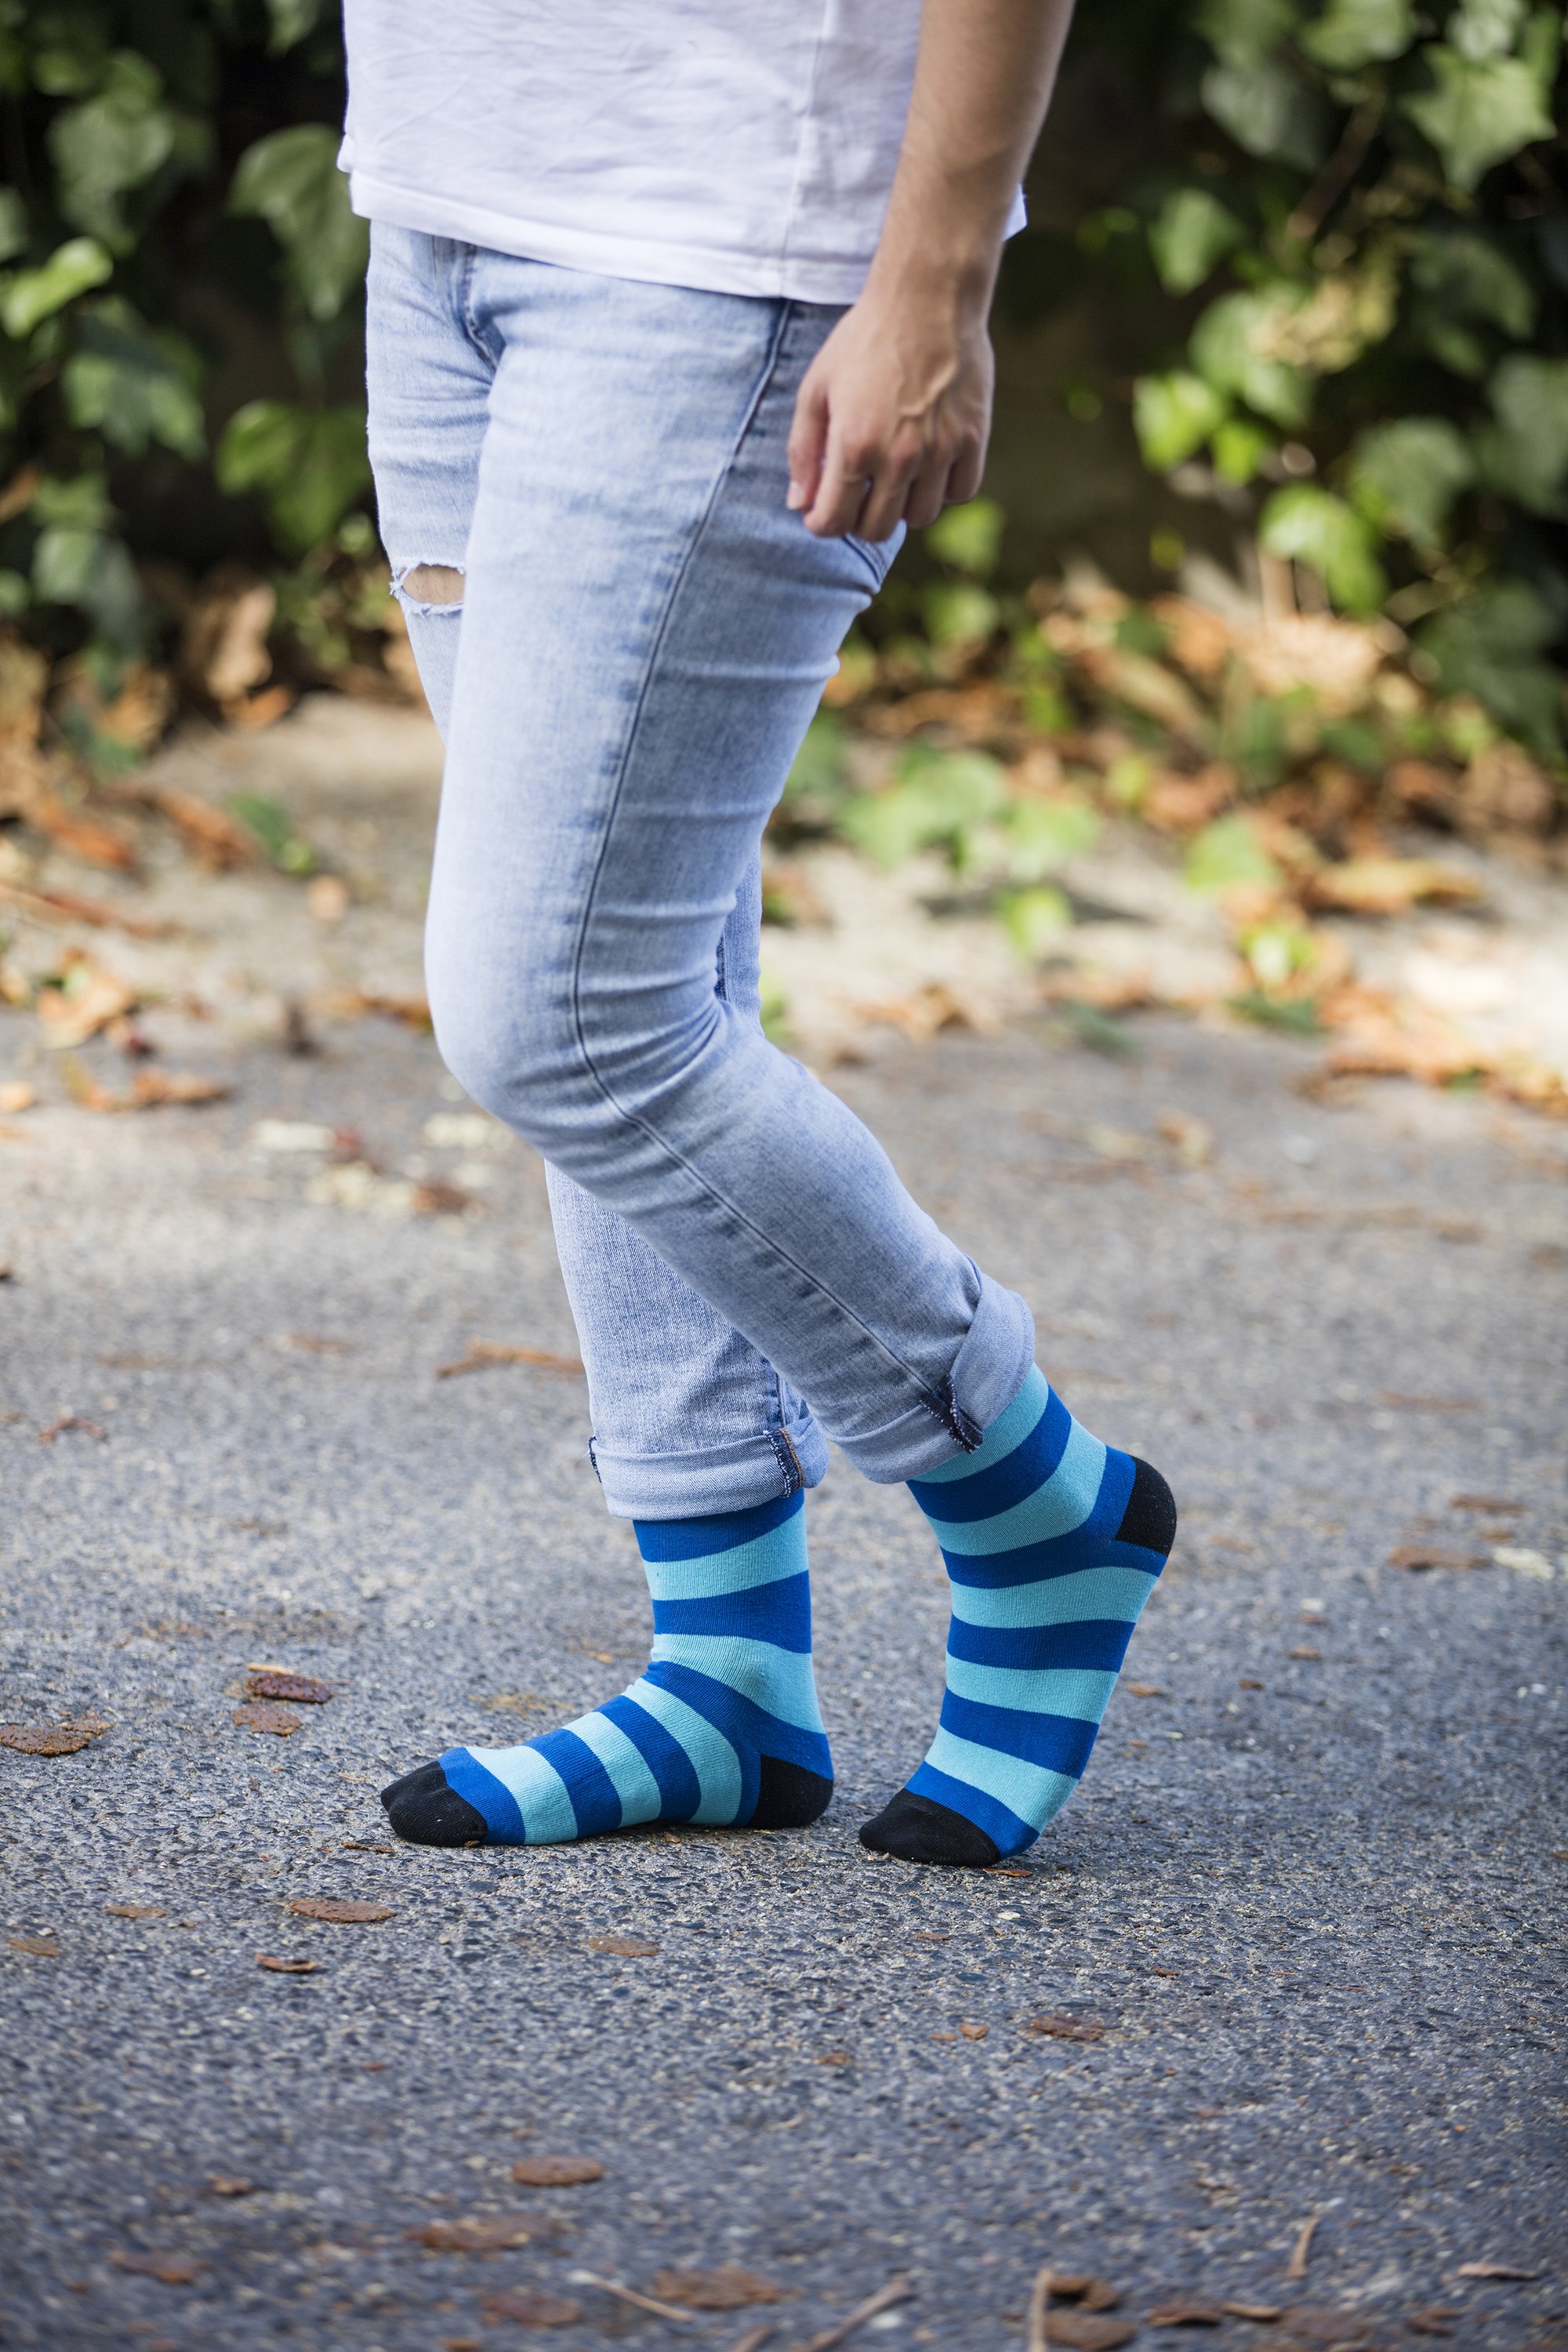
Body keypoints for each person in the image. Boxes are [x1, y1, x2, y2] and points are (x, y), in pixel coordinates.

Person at [342, 0, 1176, 1868]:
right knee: (637, 945)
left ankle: (1030, 1494)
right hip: (450, 211)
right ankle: (725, 1673)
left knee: (561, 1011)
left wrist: (935, 277)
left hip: (735, 249)